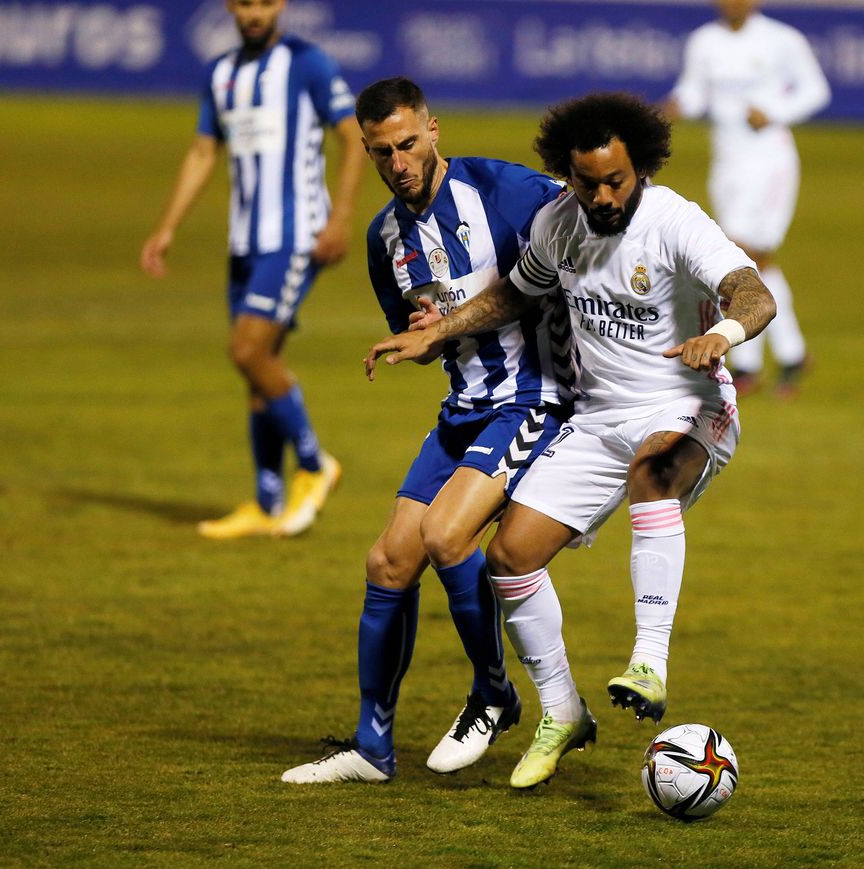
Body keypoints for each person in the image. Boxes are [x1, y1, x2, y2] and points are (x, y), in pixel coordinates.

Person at [368, 92, 776, 789]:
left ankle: (649, 661)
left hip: (688, 405)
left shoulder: (674, 220)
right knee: (508, 554)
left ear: (638, 168)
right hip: (596, 419)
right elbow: (516, 293)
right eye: (589, 182)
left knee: (653, 473)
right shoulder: (559, 223)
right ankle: (562, 710)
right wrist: (440, 328)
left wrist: (723, 334)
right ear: (570, 174)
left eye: (616, 180)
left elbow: (754, 294)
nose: (604, 194)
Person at [281, 77, 572, 784]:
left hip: (533, 395)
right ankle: (372, 747)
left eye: (408, 143)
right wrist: (424, 338)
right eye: (382, 152)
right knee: (387, 563)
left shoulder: (506, 192)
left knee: (447, 536)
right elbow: (429, 333)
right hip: (464, 409)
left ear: (434, 131)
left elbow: (592, 227)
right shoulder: (386, 239)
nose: (399, 161)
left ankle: (495, 693)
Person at [140, 0, 364, 538]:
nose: (254, 12)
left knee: (247, 350)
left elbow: (352, 136)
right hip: (244, 242)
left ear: (280, 5)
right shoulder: (221, 73)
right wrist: (167, 226)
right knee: (257, 369)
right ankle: (268, 504)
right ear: (231, 7)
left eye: (264, 2)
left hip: (294, 237)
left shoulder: (307, 62)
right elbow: (202, 151)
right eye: (244, 3)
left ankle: (314, 465)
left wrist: (340, 217)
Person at [666, 0, 829, 397]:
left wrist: (775, 111)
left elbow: (816, 90)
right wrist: (673, 108)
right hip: (727, 161)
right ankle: (784, 358)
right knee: (744, 259)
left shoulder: (781, 39)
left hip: (769, 159)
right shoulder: (704, 41)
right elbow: (694, 92)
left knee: (752, 255)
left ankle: (755, 363)